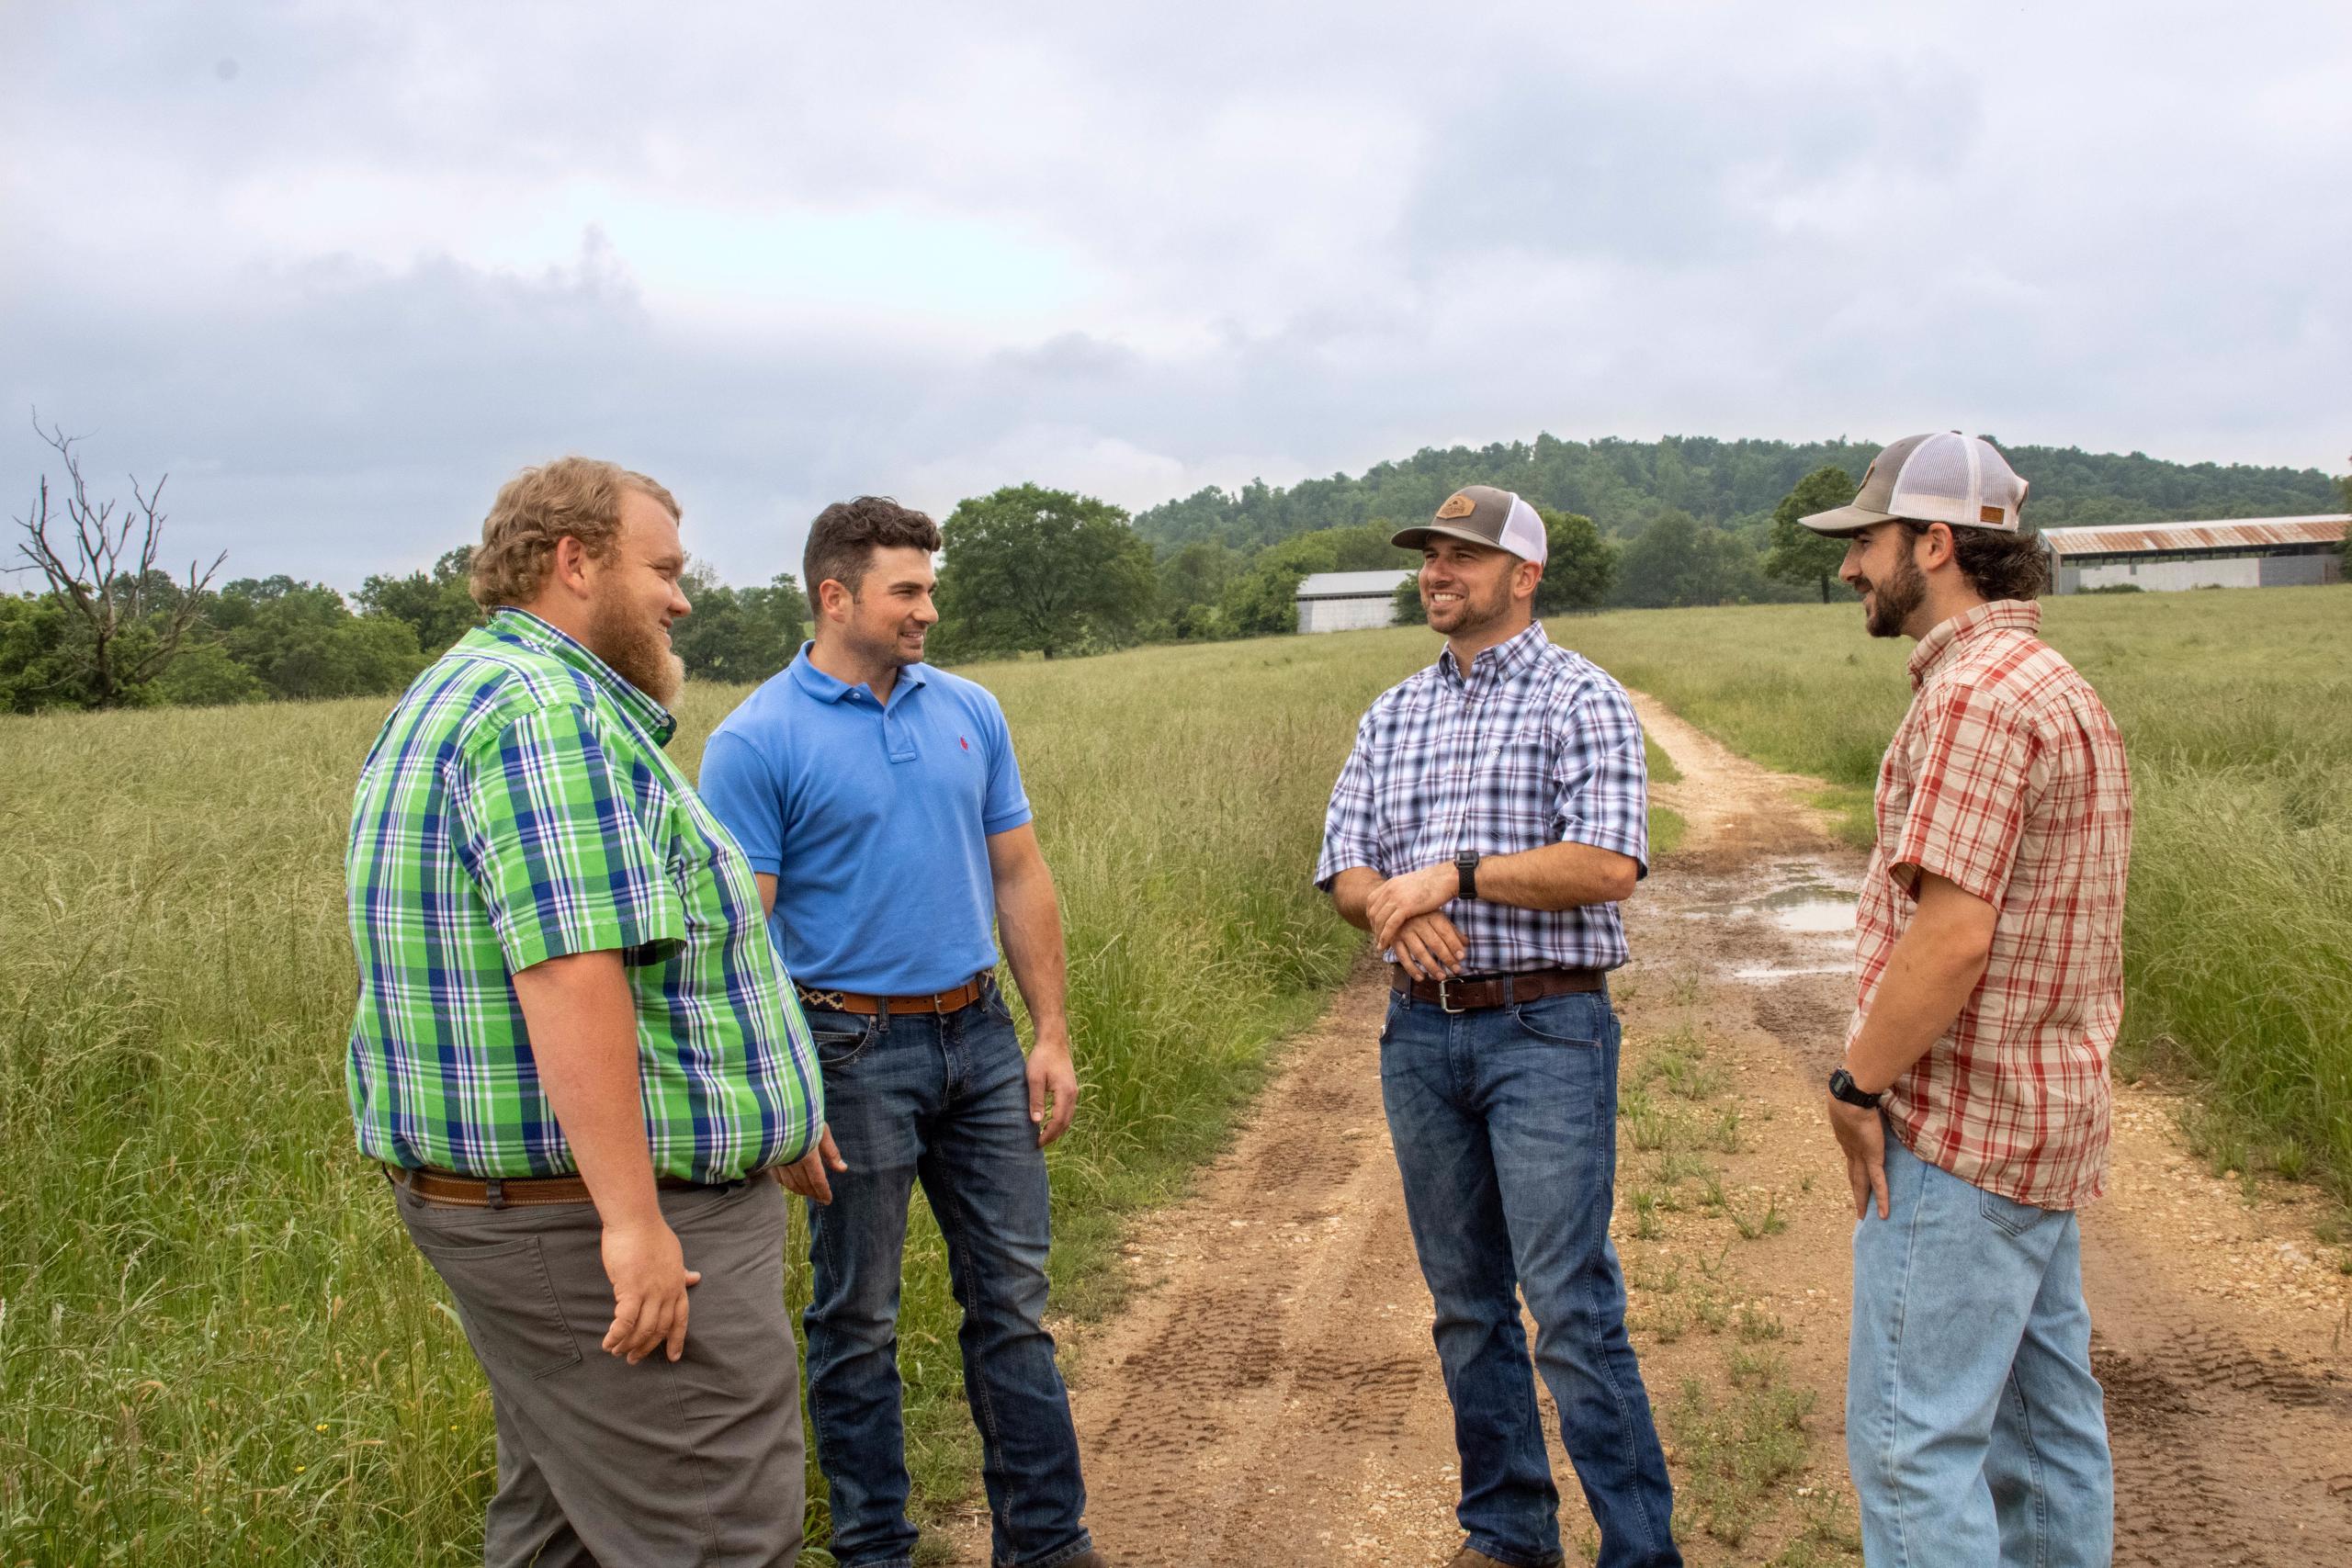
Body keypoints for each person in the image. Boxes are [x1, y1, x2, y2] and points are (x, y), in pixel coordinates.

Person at [345, 457, 824, 1567]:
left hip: (538, 1214)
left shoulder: (471, 692)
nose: (680, 597)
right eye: (661, 569)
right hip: (585, 1219)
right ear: (574, 563)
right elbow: (569, 971)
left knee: (561, 1525)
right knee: (716, 1530)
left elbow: (651, 969)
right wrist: (632, 1222)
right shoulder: (544, 716)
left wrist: (773, 1106)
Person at [697, 496, 1102, 1568]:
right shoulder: (754, 741)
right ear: (837, 596)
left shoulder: (967, 707)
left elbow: (1017, 872)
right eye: (906, 590)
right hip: (847, 1054)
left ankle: (1048, 1544)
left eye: (929, 587)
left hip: (977, 1038)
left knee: (1012, 1302)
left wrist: (1048, 1030)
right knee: (857, 1319)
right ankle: (876, 1548)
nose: (927, 609)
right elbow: (746, 938)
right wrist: (783, 1096)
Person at [1316, 486, 1681, 1568]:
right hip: (1419, 1037)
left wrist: (1453, 879)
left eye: (1463, 556)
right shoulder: (1393, 711)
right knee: (1465, 1304)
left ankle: (1638, 1549)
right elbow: (1345, 861)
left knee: (1568, 1304)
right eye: (1431, 555)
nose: (1438, 572)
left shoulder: (1583, 699)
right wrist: (1390, 908)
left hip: (1545, 1030)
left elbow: (1608, 864)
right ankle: (1509, 1532)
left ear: (1524, 575)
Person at [1803, 433, 2129, 1566]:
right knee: (2044, 1438)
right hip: (2045, 1121)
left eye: (1868, 543)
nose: (1850, 569)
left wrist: (1858, 1082)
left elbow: (1951, 935)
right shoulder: (2053, 683)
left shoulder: (1973, 699)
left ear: (1935, 545)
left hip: (1962, 1135)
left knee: (1910, 1447)